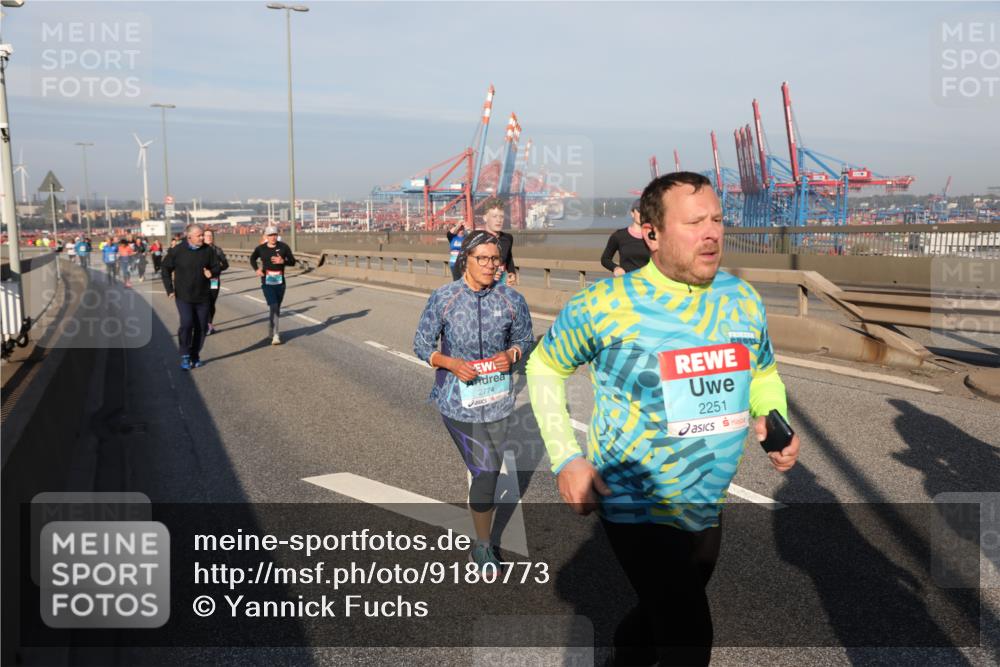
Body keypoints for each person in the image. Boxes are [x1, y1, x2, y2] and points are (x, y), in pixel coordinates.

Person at [526, 172, 800, 666]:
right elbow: (544, 366)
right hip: (635, 499)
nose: (711, 233)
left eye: (717, 219)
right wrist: (566, 458)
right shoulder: (603, 306)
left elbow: (762, 371)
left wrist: (771, 415)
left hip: (707, 497)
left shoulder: (741, 298)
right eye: (694, 223)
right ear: (651, 234)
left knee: (663, 613)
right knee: (688, 636)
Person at [413, 230, 533, 572]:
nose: (490, 265)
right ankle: (482, 546)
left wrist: (511, 354)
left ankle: (481, 536)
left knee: (487, 473)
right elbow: (421, 344)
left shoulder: (511, 300)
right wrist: (451, 363)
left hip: (498, 401)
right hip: (457, 401)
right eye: (482, 258)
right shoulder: (445, 298)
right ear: (465, 259)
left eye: (495, 259)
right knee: (486, 471)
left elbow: (525, 338)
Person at [161, 224, 221, 370]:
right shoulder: (177, 250)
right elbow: (165, 268)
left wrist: (212, 273)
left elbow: (217, 267)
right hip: (184, 296)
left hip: (203, 296)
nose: (202, 238)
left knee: (201, 327)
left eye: (202, 235)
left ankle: (195, 355)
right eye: (199, 235)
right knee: (187, 324)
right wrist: (169, 289)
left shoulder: (208, 250)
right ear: (189, 237)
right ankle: (185, 355)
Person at [249, 225, 296, 345]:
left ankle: (271, 330)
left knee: (276, 308)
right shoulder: (261, 248)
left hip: (280, 283)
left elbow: (293, 261)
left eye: (274, 235)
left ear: (277, 235)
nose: (273, 237)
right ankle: (276, 334)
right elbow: (252, 259)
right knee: (274, 305)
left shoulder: (284, 247)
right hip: (267, 282)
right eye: (270, 235)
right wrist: (257, 269)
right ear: (266, 236)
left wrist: (283, 261)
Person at [601, 199, 651, 276]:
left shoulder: (654, 236)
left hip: (648, 281)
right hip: (626, 281)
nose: (642, 215)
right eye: (639, 211)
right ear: (632, 213)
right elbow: (605, 259)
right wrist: (616, 268)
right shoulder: (619, 236)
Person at [480, 198, 518, 286]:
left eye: (501, 216)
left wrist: (512, 272)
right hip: (482, 287)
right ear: (485, 218)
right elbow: (464, 267)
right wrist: (488, 274)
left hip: (501, 284)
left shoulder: (507, 238)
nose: (499, 220)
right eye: (494, 216)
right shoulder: (477, 239)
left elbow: (508, 258)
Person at [202, 229, 230, 335]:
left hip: (214, 280)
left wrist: (215, 270)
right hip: (201, 280)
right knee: (202, 302)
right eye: (207, 235)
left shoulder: (217, 250)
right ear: (203, 237)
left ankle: (209, 324)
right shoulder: (199, 250)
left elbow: (226, 265)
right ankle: (202, 323)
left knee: (211, 302)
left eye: (210, 235)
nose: (209, 237)